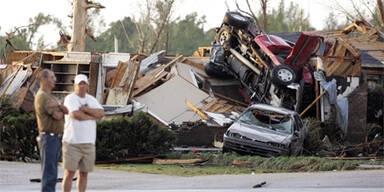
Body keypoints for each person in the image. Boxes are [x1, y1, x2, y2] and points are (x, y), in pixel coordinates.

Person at [62, 74, 104, 192]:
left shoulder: (91, 100)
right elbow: (75, 115)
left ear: (87, 86)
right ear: (74, 85)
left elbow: (101, 113)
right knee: (69, 173)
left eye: (84, 83)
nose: (81, 86)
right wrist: (92, 116)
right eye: (79, 84)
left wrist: (86, 110)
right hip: (72, 142)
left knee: (84, 174)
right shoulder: (70, 99)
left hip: (88, 143)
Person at [34, 69, 68, 192]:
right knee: (49, 175)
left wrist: (58, 105)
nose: (55, 80)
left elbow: (66, 110)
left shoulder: (49, 96)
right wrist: (61, 106)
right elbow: (58, 115)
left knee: (52, 173)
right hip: (49, 138)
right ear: (43, 79)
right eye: (52, 77)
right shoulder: (43, 96)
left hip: (54, 138)